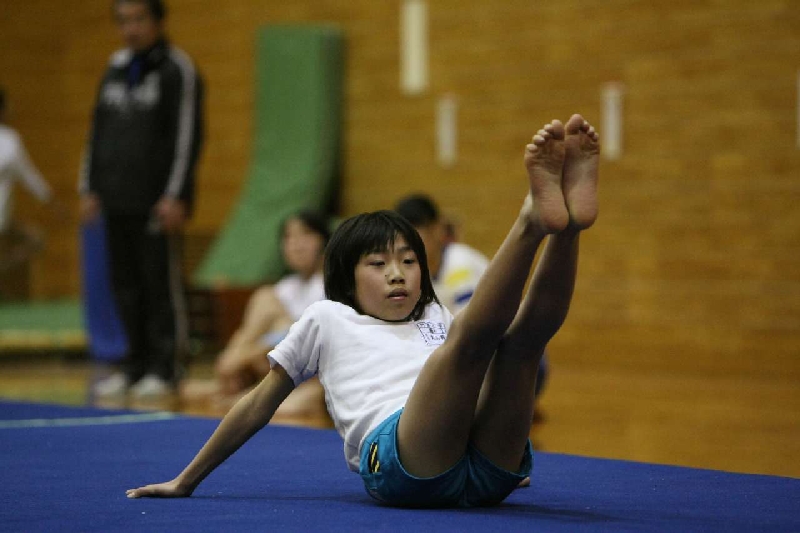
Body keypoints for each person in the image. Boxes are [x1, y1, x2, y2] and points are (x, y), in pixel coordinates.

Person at [127, 113, 599, 508]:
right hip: (401, 462)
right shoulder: (328, 318)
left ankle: (568, 228)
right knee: (468, 348)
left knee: (520, 348)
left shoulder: (434, 315)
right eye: (378, 264)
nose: (398, 274)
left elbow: (485, 375)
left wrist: (501, 434)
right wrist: (187, 478)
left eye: (410, 262)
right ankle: (530, 222)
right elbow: (258, 403)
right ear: (346, 279)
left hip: (486, 470)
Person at [80, 0, 204, 399]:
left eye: (138, 20)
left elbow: (187, 137)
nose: (130, 29)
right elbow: (96, 132)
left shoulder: (176, 69)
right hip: (115, 199)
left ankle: (164, 366)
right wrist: (90, 187)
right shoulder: (113, 69)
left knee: (158, 284)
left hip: (156, 202)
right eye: (123, 21)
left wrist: (175, 194)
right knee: (124, 284)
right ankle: (133, 363)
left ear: (157, 21)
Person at [395, 193, 550, 401]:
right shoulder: (414, 275)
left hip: (515, 358)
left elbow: (472, 332)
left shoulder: (460, 264)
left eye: (417, 240)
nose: (411, 250)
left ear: (437, 230)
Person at [187, 210, 330, 415]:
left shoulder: (331, 285)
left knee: (272, 312)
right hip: (277, 363)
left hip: (312, 368)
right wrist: (246, 353)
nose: (297, 244)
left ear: (323, 241)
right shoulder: (285, 287)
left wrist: (247, 355)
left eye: (305, 235)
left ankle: (238, 383)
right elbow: (259, 331)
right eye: (289, 237)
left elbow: (308, 337)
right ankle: (233, 376)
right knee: (264, 298)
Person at [0, 87, 54, 276]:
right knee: (36, 240)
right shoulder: (8, 140)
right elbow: (30, 178)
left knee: (35, 239)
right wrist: (52, 201)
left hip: (4, 219)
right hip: (2, 217)